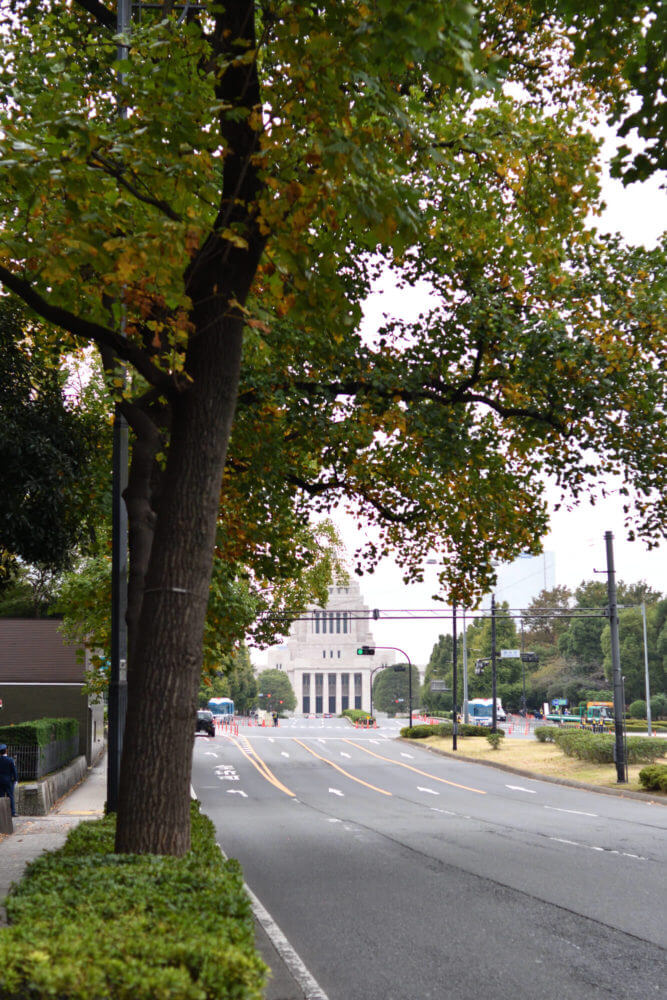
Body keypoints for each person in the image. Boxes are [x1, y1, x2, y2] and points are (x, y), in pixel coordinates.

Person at [0, 743, 18, 817]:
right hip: (8, 781)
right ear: (6, 751)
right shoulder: (10, 760)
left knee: (1, 796)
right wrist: (16, 779)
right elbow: (14, 770)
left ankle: (1, 812)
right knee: (10, 796)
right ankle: (13, 812)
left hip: (0, 781)